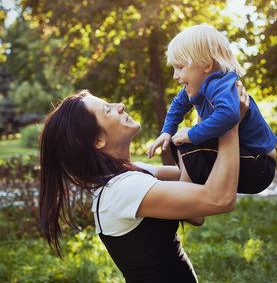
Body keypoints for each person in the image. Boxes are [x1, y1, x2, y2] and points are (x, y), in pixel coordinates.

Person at [39, 83, 248, 283]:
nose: (119, 106)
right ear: (97, 141)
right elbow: (219, 199)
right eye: (108, 110)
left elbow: (194, 187)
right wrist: (230, 125)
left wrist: (209, 120)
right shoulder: (123, 189)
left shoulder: (128, 175)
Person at [148, 24, 277, 194]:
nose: (175, 76)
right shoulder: (198, 86)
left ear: (207, 65)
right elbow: (177, 106)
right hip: (245, 157)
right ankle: (187, 189)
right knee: (179, 140)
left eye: (180, 67)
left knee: (190, 139)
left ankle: (186, 195)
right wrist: (167, 132)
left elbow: (229, 114)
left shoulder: (220, 84)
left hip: (259, 164)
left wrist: (192, 133)